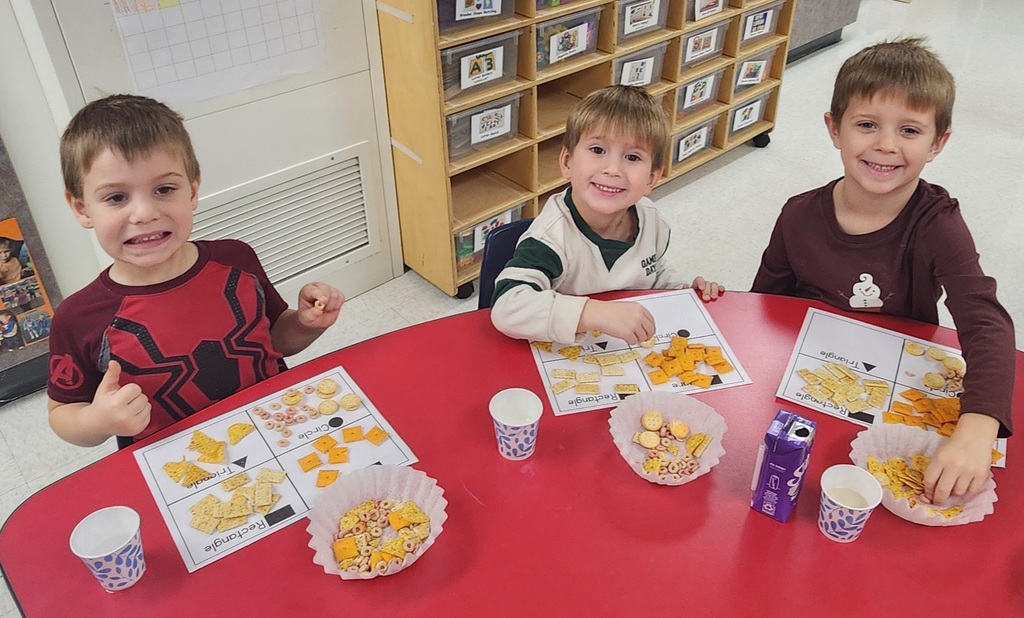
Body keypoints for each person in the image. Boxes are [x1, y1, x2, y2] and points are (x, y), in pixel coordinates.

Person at [750, 38, 1015, 505]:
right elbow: (766, 306)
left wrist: (978, 427)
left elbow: (987, 323)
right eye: (867, 125)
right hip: (812, 389)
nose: (886, 145)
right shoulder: (797, 215)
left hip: (898, 394)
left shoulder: (939, 224)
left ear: (939, 143)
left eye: (910, 131)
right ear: (834, 129)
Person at [48, 94, 345, 448]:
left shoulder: (237, 261)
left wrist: (302, 324)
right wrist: (97, 420)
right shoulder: (78, 317)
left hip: (278, 432)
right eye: (116, 198)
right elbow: (63, 412)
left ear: (192, 191)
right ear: (82, 208)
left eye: (164, 189)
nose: (144, 213)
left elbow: (274, 343)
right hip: (174, 464)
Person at [490, 85, 722, 344]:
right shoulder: (550, 238)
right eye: (598, 150)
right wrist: (592, 312)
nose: (613, 169)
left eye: (632, 157)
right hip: (564, 356)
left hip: (625, 355)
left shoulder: (651, 218)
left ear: (652, 178)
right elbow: (507, 308)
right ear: (567, 163)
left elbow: (652, 267)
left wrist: (681, 291)